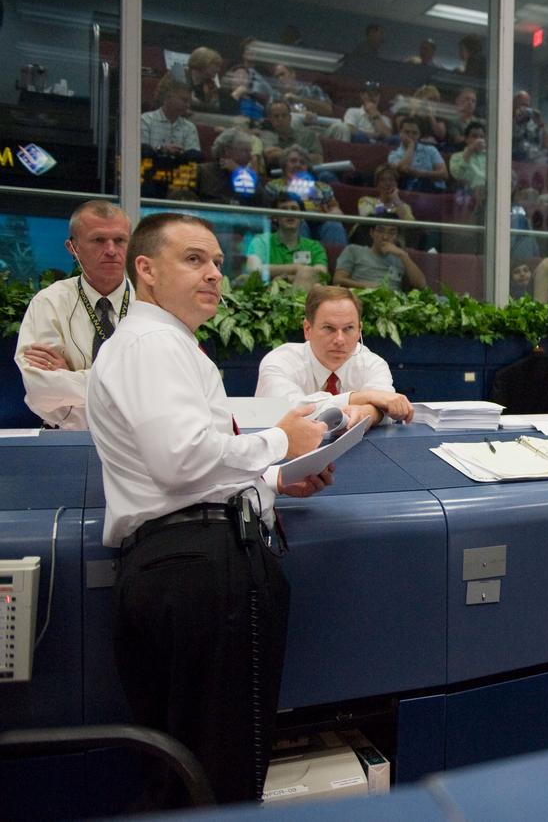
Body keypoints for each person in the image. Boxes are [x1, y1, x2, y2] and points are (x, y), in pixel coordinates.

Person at [85, 212, 334, 804]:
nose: (214, 274)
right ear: (146, 270)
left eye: (218, 262)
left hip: (188, 561)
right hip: (200, 567)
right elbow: (180, 460)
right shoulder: (152, 344)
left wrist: (272, 481)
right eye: (194, 259)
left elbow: (188, 469)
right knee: (221, 773)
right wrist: (281, 441)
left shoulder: (166, 345)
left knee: (193, 769)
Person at [15, 201, 132, 429]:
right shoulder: (49, 302)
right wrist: (128, 385)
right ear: (73, 247)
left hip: (137, 442)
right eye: (98, 240)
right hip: (67, 439)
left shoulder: (152, 302)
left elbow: (162, 385)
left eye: (119, 240)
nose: (111, 250)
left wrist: (68, 378)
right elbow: (40, 390)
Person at [255, 286, 414, 426]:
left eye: (348, 328)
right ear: (307, 329)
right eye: (329, 328)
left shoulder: (373, 364)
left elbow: (387, 406)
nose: (339, 340)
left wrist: (369, 412)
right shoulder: (280, 361)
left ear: (359, 330)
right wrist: (361, 398)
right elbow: (287, 410)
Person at [263, 145, 347, 246]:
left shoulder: (323, 187)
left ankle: (335, 255)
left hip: (320, 224)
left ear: (307, 168)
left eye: (302, 162)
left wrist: (330, 214)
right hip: (289, 223)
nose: (298, 165)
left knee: (334, 226)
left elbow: (336, 211)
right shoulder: (274, 186)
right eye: (293, 161)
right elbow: (269, 215)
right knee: (298, 223)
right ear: (285, 165)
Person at [243, 195, 329, 289]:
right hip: (266, 293)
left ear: (302, 217)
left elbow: (321, 274)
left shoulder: (314, 246)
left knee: (316, 283)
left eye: (294, 209)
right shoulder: (261, 241)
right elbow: (253, 270)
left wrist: (286, 278)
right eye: (284, 209)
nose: (290, 213)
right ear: (275, 217)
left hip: (303, 294)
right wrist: (296, 268)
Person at [333, 223, 427, 290]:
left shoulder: (401, 257)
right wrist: (364, 286)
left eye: (391, 232)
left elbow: (421, 285)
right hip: (361, 297)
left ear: (397, 236)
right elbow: (337, 280)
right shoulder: (354, 250)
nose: (385, 237)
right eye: (381, 231)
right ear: (372, 233)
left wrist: (403, 255)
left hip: (393, 304)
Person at [195, 128, 266, 207]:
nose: (250, 157)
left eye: (250, 152)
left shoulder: (248, 175)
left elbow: (262, 204)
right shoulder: (202, 171)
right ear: (227, 151)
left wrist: (238, 172)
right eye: (245, 151)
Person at [140, 75, 202, 163]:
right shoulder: (145, 120)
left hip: (178, 169)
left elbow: (194, 160)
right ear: (167, 97)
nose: (188, 105)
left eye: (189, 101)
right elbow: (139, 153)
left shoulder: (189, 127)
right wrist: (162, 150)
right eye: (184, 100)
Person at [387, 117, 446, 192]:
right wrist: (411, 146)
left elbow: (444, 174)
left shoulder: (431, 150)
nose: (410, 135)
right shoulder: (394, 155)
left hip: (435, 190)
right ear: (400, 133)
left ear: (419, 135)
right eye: (407, 132)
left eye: (414, 133)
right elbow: (403, 169)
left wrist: (420, 174)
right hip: (409, 190)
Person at [260, 100, 324, 169]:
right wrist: (300, 152)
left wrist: (283, 153)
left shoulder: (307, 135)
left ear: (290, 117)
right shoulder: (266, 136)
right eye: (276, 116)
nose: (280, 119)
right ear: (270, 119)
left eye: (284, 115)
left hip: (309, 171)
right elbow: (271, 156)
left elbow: (318, 159)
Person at [512, 90, 548, 162]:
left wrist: (540, 123)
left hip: (535, 160)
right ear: (514, 105)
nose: (525, 109)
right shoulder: (506, 120)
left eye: (527, 106)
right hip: (515, 160)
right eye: (522, 105)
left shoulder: (532, 121)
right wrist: (515, 117)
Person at [449, 122, 487, 191]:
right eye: (474, 136)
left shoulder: (490, 157)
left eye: (482, 137)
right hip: (469, 191)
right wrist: (469, 151)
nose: (479, 140)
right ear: (466, 139)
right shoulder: (456, 157)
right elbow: (457, 175)